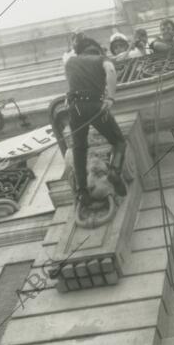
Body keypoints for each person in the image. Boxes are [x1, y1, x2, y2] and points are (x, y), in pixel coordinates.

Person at [62, 34, 127, 215]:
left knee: (79, 148)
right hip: (95, 106)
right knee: (119, 141)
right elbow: (111, 72)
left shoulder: (70, 62)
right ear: (96, 49)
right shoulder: (100, 58)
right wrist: (111, 97)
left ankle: (82, 191)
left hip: (75, 108)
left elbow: (71, 83)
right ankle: (114, 171)